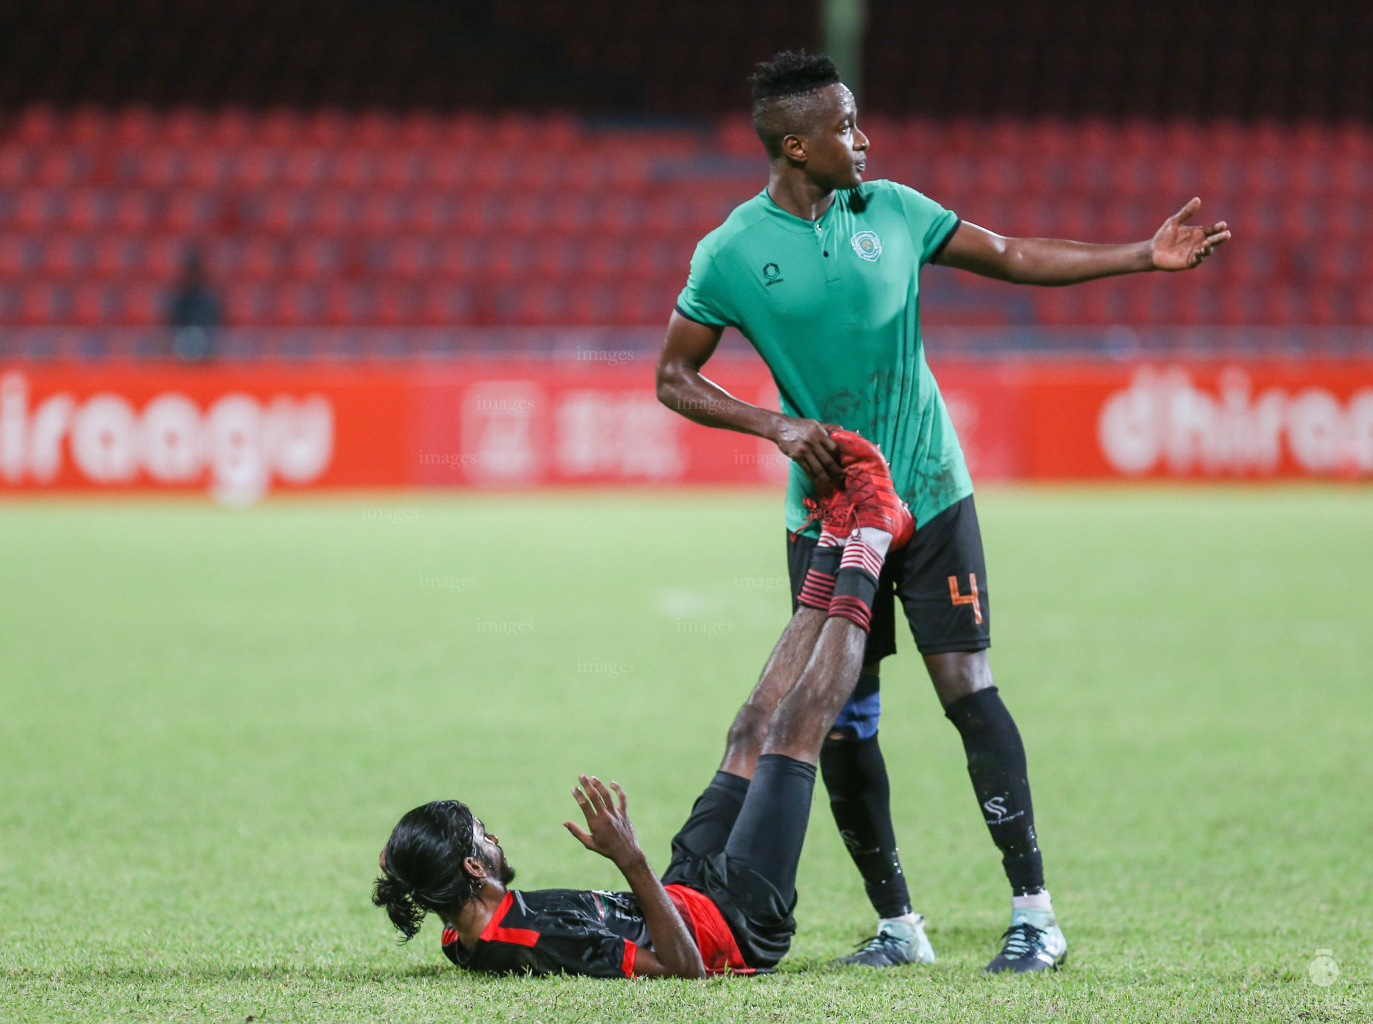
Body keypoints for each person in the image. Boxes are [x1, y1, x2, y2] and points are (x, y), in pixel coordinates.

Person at [654, 51, 1230, 973]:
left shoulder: (893, 209)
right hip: (831, 515)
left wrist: (1140, 257)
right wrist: (772, 423)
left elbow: (1008, 255)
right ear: (795, 145)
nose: (862, 138)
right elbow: (672, 377)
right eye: (845, 127)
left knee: (967, 690)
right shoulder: (729, 252)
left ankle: (1034, 915)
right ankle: (898, 926)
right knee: (838, 715)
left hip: (929, 491)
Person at [373, 434, 912, 978]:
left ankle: (835, 532)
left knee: (748, 730)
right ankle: (871, 535)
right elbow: (684, 973)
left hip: (685, 891)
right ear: (472, 866)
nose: (493, 839)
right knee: (791, 731)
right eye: (482, 836)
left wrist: (399, 863)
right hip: (736, 921)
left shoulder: (458, 931)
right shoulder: (531, 939)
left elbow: (412, 876)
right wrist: (628, 857)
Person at [168, 247, 223, 360]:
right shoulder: (181, 294)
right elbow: (174, 318)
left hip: (207, 337)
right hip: (182, 338)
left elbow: (215, 317)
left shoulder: (208, 294)